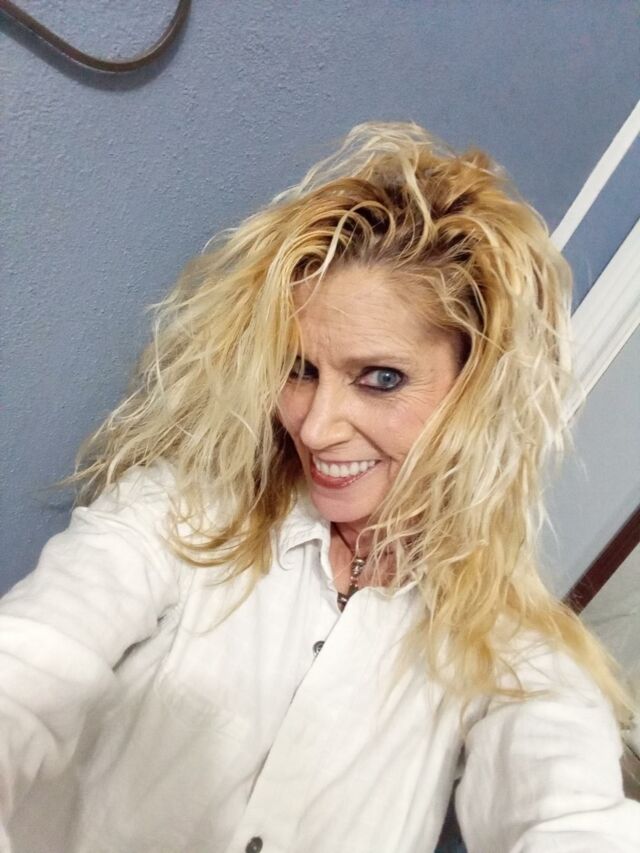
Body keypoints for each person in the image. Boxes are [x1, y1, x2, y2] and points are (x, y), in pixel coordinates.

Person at [1, 122, 638, 853]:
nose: (314, 424)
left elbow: (569, 813)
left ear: (475, 393)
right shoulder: (175, 516)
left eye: (381, 378)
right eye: (300, 369)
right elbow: (30, 663)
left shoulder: (500, 641)